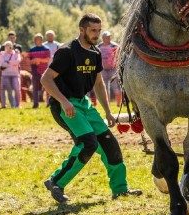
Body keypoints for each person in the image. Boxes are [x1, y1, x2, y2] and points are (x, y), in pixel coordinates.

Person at [41, 13, 141, 203]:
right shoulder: (67, 51)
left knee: (110, 145)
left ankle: (120, 189)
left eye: (98, 30)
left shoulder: (95, 53)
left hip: (83, 103)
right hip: (65, 105)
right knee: (88, 144)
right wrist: (64, 101)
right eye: (92, 30)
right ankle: (56, 181)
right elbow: (45, 79)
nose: (96, 34)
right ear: (82, 30)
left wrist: (108, 111)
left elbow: (98, 83)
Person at [98, 31, 122, 106]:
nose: (108, 38)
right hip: (103, 70)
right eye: (106, 37)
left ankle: (119, 103)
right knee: (104, 88)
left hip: (113, 70)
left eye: (109, 37)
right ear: (103, 38)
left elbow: (119, 55)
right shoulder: (99, 47)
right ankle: (107, 104)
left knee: (115, 87)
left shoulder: (114, 46)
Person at [27, 34, 51, 108]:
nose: (37, 41)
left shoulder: (46, 49)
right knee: (35, 88)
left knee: (48, 88)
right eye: (36, 39)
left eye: (39, 39)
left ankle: (49, 103)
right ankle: (35, 104)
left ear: (41, 40)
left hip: (45, 71)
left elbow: (47, 59)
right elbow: (28, 61)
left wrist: (38, 60)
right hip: (35, 71)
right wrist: (33, 61)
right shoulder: (31, 50)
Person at [0, 41, 21, 108]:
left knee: (17, 89)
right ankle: (8, 105)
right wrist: (12, 63)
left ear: (12, 46)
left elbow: (18, 61)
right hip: (5, 75)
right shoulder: (2, 54)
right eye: (7, 46)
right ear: (5, 47)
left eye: (10, 46)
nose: (9, 47)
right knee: (8, 90)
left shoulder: (16, 53)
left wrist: (7, 62)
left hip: (15, 74)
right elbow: (2, 64)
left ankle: (18, 105)